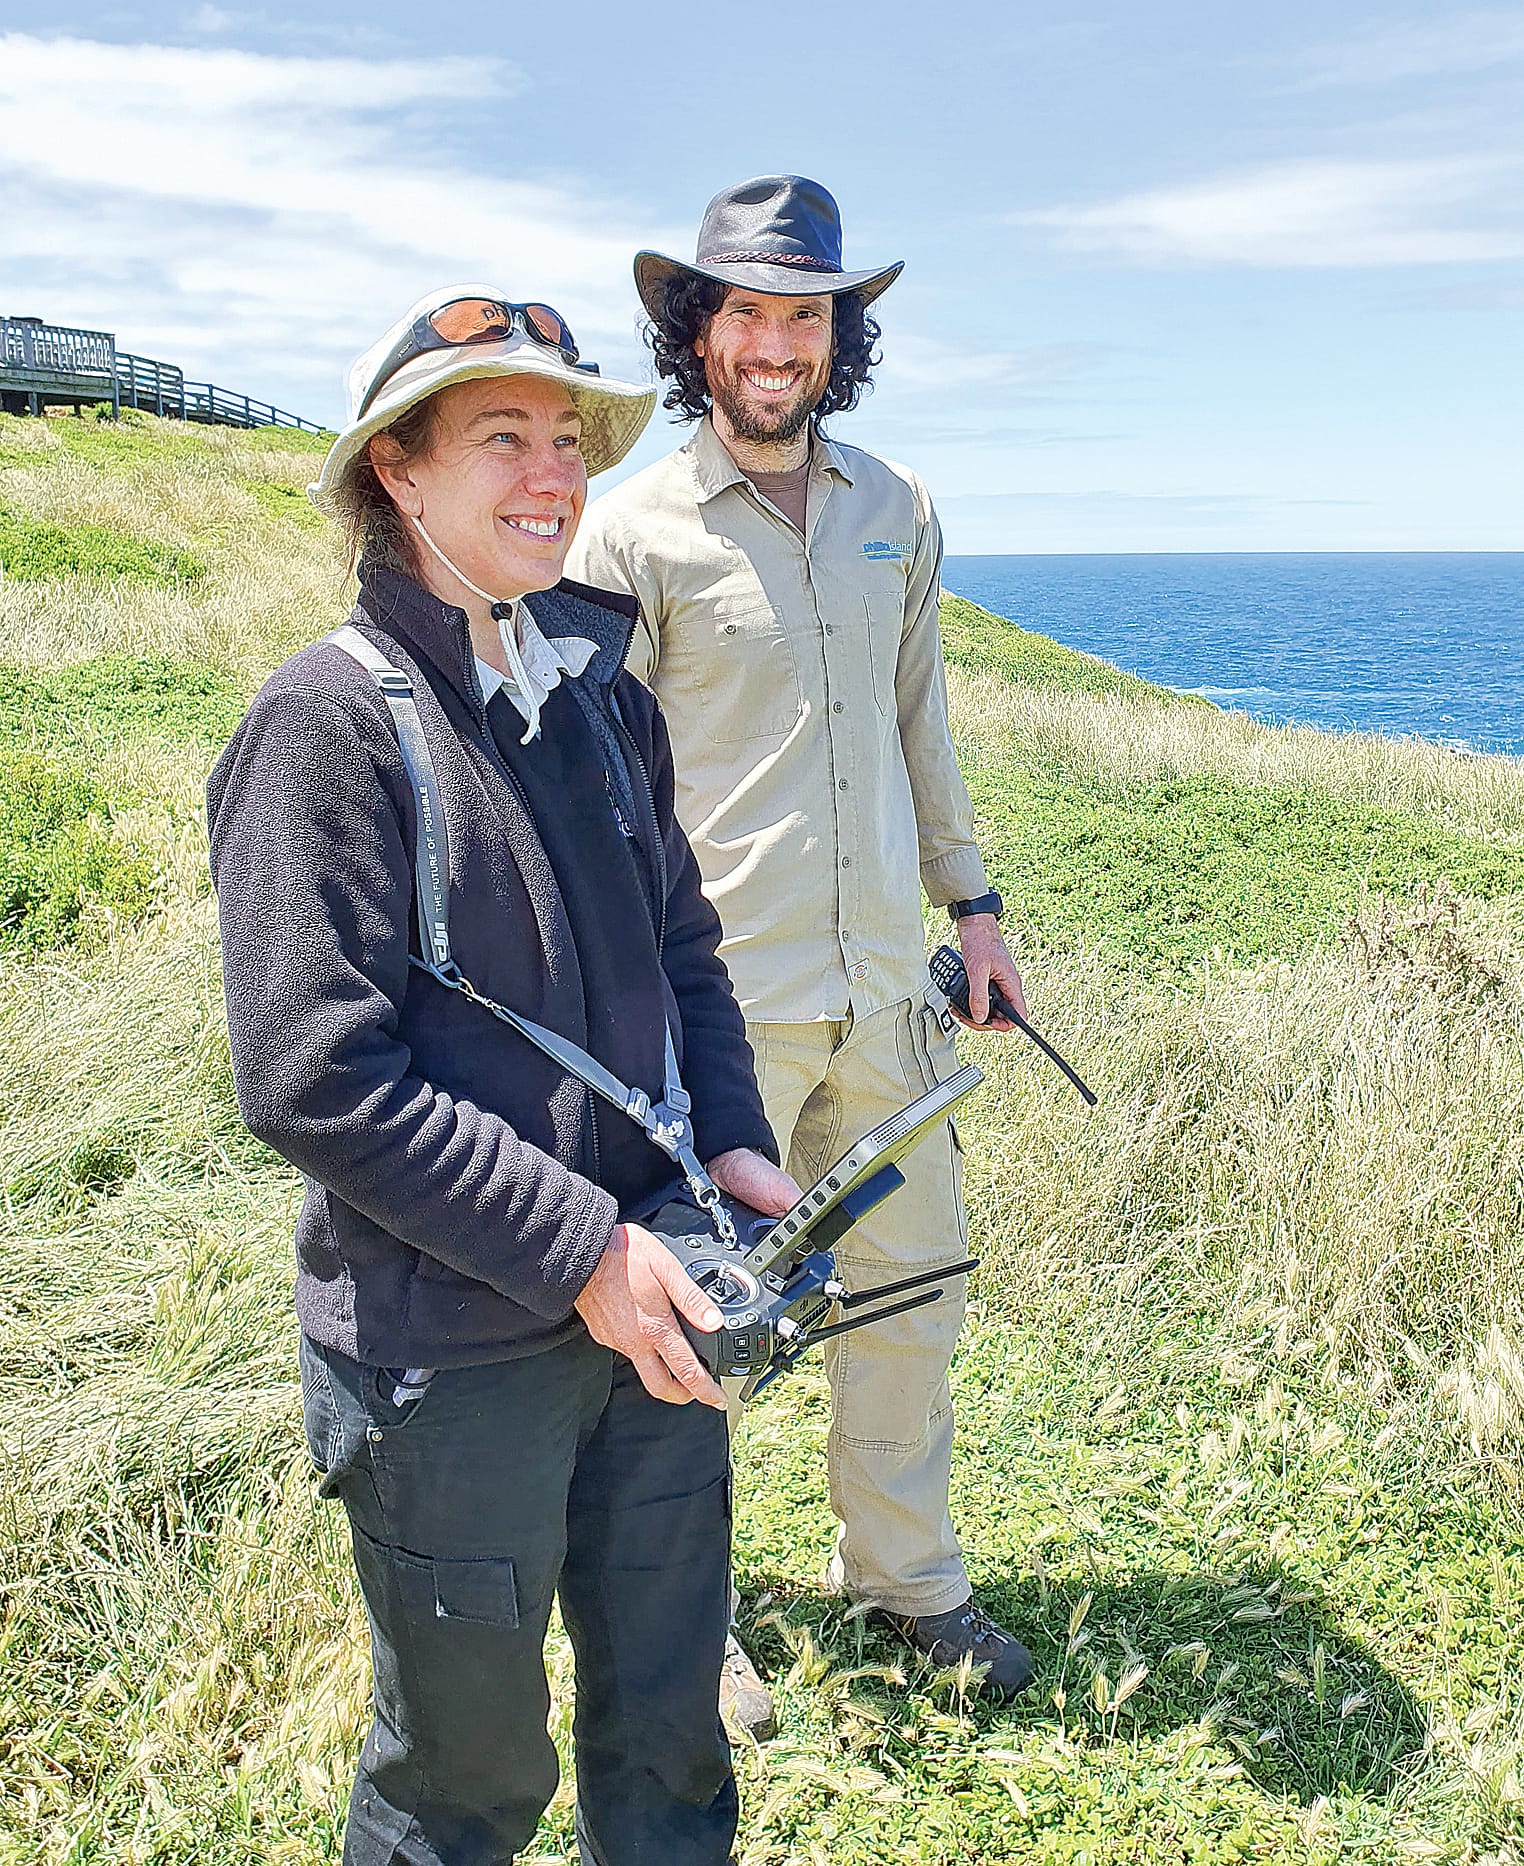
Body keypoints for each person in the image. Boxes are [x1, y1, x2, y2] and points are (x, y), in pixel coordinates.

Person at [207, 285, 799, 1866]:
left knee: (669, 1741)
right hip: (451, 1359)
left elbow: (685, 952)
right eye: (501, 438)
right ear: (396, 470)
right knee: (460, 1790)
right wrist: (579, 1251)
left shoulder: (602, 700)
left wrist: (731, 1145)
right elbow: (314, 1077)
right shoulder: (321, 727)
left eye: (567, 439)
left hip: (657, 1312)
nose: (552, 475)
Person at [567, 178, 1036, 1731]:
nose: (776, 343)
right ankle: (685, 1624)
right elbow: (596, 784)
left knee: (909, 1291)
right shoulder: (626, 528)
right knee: (703, 1321)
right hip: (720, 1017)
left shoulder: (898, 506)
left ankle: (905, 1579)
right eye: (748, 312)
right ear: (698, 331)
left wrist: (972, 908)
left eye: (805, 315)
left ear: (841, 336)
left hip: (885, 999)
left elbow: (921, 720)